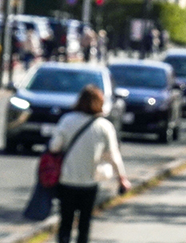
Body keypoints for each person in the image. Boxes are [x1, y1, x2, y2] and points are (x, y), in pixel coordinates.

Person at [49, 85, 130, 243]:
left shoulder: (67, 120)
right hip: (89, 182)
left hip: (67, 180)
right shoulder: (104, 126)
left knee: (65, 220)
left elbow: (54, 147)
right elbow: (113, 156)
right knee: (84, 223)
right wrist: (122, 178)